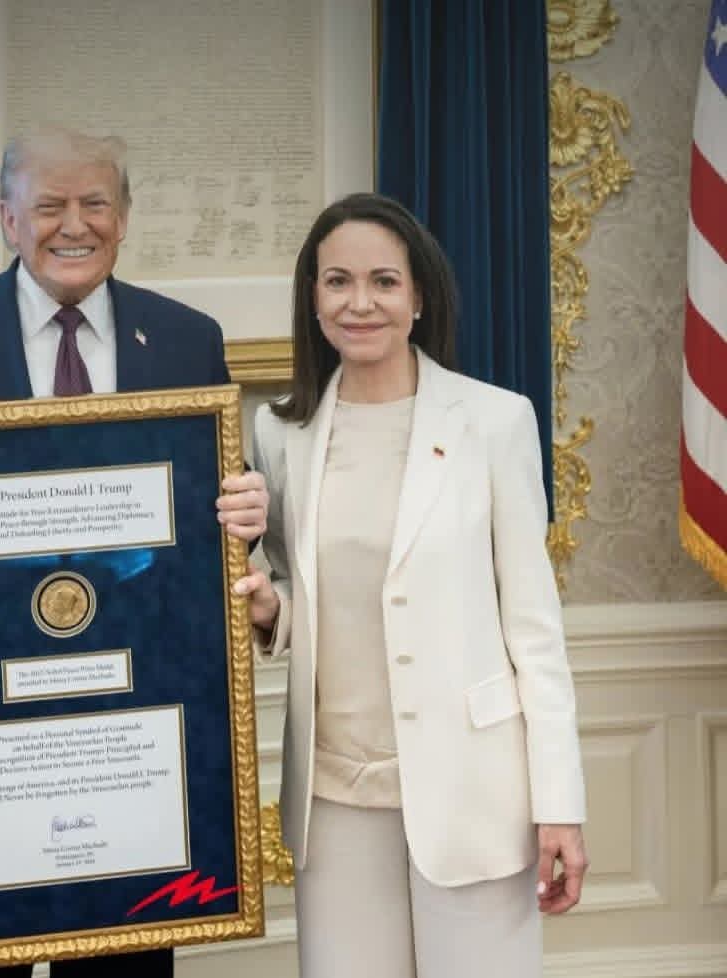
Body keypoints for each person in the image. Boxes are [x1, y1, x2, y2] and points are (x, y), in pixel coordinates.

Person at [0, 127, 268, 978]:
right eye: (50, 205)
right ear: (8, 219)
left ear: (123, 216)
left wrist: (243, 510)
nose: (75, 225)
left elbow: (210, 502)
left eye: (95, 203)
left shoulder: (186, 339)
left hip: (132, 732)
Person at [233, 192, 588, 977]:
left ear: (419, 297)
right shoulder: (279, 432)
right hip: (333, 796)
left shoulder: (494, 422)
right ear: (313, 297)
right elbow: (295, 583)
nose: (359, 303)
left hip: (473, 789)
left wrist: (560, 804)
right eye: (338, 281)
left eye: (384, 282)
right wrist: (269, 607)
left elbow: (535, 630)